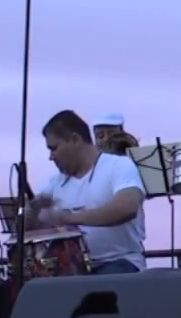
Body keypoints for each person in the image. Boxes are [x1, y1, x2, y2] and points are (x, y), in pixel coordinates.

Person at [29, 110, 147, 274]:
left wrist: (67, 218)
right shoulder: (54, 182)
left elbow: (127, 208)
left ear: (75, 139)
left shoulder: (120, 165)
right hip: (71, 268)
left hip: (118, 262)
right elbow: (30, 221)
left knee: (95, 286)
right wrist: (31, 213)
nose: (51, 157)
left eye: (54, 148)